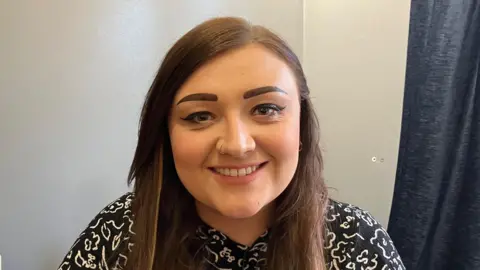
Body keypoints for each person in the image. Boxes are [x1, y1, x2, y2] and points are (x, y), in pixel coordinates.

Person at [57, 16, 405, 270]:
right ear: (165, 136)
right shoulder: (119, 235)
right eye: (200, 116)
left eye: (266, 109)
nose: (237, 145)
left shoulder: (356, 241)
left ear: (301, 131)